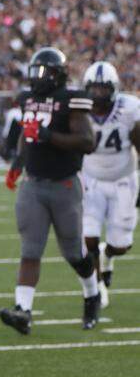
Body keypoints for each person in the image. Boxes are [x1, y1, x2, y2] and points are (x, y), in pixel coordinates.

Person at [0, 48, 98, 333]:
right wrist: (18, 163)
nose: (37, 78)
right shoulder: (28, 98)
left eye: (43, 72)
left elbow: (87, 141)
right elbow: (26, 135)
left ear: (58, 75)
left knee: (74, 253)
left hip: (65, 185)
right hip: (33, 183)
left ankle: (91, 294)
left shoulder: (71, 100)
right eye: (34, 71)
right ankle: (23, 311)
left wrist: (49, 136)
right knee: (30, 249)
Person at [77, 61, 139, 307]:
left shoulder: (130, 108)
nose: (98, 94)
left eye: (103, 89)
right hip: (90, 178)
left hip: (124, 178)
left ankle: (108, 256)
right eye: (94, 89)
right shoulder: (78, 108)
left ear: (114, 89)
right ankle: (98, 285)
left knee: (121, 245)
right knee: (88, 237)